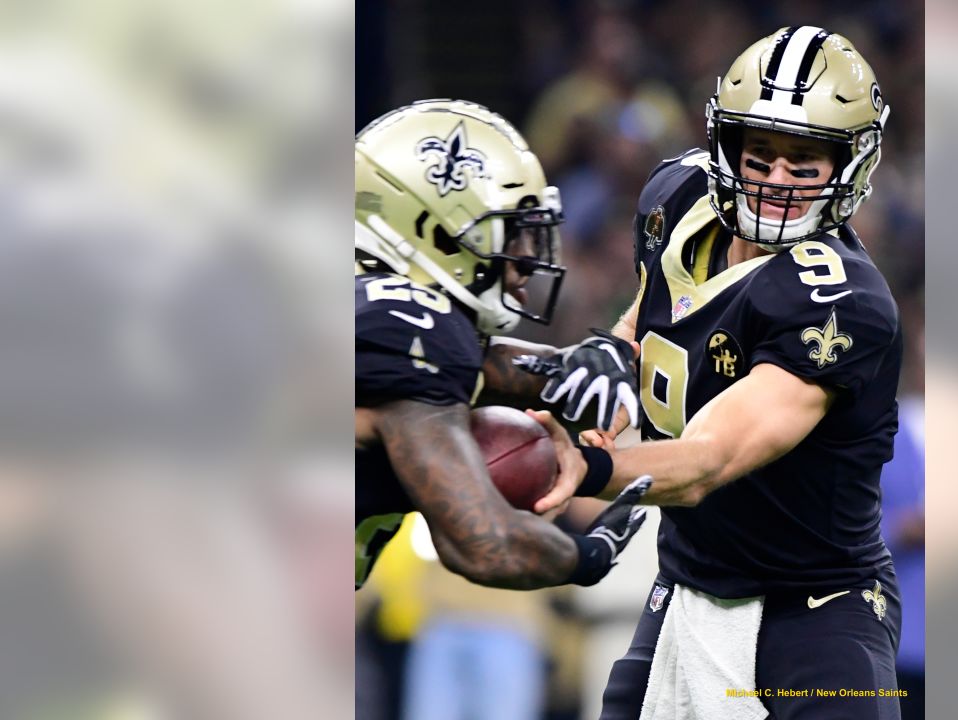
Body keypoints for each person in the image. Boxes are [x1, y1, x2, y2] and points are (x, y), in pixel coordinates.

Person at [528, 27, 904, 719]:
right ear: (724, 143)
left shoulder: (839, 300)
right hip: (689, 581)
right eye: (760, 156)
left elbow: (709, 459)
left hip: (813, 604)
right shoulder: (677, 198)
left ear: (851, 166)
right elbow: (646, 326)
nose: (777, 182)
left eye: (804, 163)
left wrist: (594, 468)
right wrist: (606, 360)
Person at [354, 99, 649, 592]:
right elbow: (487, 545)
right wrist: (588, 555)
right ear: (436, 233)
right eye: (512, 234)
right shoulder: (406, 328)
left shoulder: (373, 314)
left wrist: (582, 365)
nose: (528, 259)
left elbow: (485, 365)